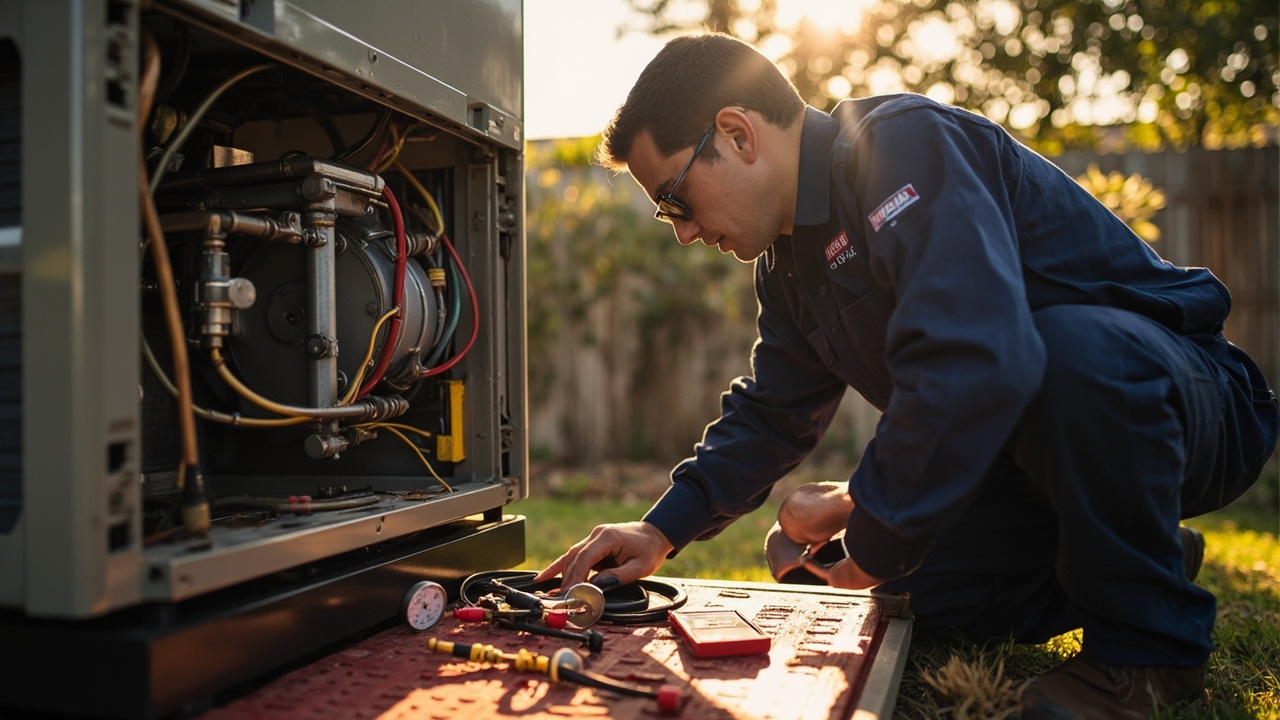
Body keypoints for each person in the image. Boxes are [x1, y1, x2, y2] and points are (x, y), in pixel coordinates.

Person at [535, 32, 1278, 719]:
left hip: (1188, 402)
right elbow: (770, 414)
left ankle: (1148, 649)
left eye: (673, 199)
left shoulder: (900, 149)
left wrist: (869, 509)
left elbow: (977, 353)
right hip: (1037, 456)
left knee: (1061, 348)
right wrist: (661, 529)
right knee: (841, 581)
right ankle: (1126, 550)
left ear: (737, 133)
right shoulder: (787, 269)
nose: (686, 231)